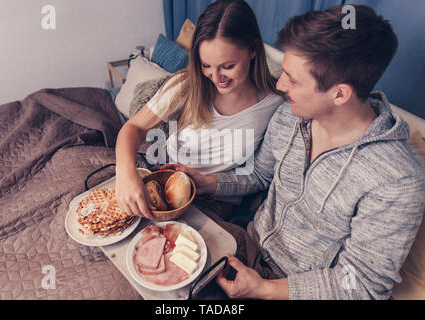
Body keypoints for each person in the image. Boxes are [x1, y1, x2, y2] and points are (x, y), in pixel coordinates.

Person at [164, 5, 425, 299]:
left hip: (295, 288)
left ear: (340, 93)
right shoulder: (291, 115)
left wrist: (263, 289)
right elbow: (261, 174)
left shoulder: (397, 179)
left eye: (292, 79)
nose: (279, 84)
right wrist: (208, 182)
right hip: (247, 247)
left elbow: (362, 283)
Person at [114, 0, 283, 220]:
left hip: (217, 201)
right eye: (206, 65)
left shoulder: (274, 104)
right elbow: (134, 126)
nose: (216, 77)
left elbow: (258, 175)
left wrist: (208, 184)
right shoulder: (186, 86)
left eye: (228, 66)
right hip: (167, 181)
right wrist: (125, 173)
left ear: (252, 50)